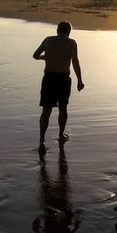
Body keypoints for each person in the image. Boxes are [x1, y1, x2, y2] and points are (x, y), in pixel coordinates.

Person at [33, 21, 85, 154]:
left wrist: (45, 57)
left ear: (57, 30)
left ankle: (41, 141)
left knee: (46, 110)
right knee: (63, 108)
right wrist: (80, 80)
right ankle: (61, 135)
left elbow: (35, 55)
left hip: (49, 77)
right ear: (69, 32)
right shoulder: (71, 43)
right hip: (63, 79)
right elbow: (75, 62)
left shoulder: (48, 40)